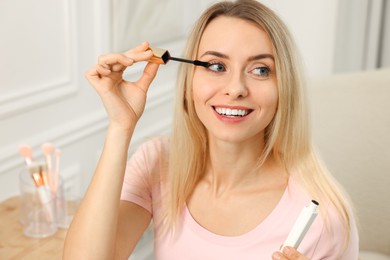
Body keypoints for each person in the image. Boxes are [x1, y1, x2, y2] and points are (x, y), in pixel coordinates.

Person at [63, 0, 359, 259]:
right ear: (189, 82)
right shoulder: (158, 162)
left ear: (285, 89)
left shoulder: (324, 217)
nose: (235, 89)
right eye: (216, 66)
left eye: (260, 70)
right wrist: (120, 127)